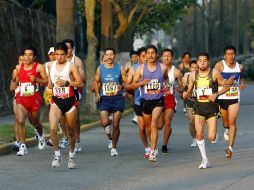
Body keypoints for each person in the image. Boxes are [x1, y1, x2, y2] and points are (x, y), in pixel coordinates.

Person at [183, 52, 230, 169]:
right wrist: (186, 94)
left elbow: (226, 86)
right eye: (200, 61)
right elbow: (189, 91)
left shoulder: (214, 73)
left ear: (208, 61)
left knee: (211, 137)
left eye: (204, 60)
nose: (202, 63)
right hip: (198, 107)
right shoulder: (193, 75)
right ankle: (204, 159)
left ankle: (214, 133)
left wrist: (216, 94)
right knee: (199, 133)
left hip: (212, 108)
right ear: (197, 62)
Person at [48, 42, 83, 168]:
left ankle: (71, 156)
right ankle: (57, 155)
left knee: (71, 131)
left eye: (61, 54)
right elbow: (50, 82)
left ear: (66, 54)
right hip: (56, 101)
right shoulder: (50, 65)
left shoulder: (71, 66)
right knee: (52, 128)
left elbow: (80, 83)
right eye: (56, 54)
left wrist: (67, 83)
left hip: (70, 101)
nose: (59, 57)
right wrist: (50, 85)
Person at [132, 45, 169, 162]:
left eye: (153, 53)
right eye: (148, 53)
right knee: (148, 128)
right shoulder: (140, 69)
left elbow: (166, 78)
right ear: (145, 55)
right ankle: (153, 144)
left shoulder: (162, 67)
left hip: (158, 100)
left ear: (156, 54)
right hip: (145, 101)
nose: (151, 55)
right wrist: (141, 83)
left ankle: (152, 152)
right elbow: (133, 84)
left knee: (154, 124)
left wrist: (166, 85)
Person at [15, 46, 48, 156]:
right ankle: (23, 146)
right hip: (22, 98)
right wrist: (13, 84)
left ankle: (41, 134)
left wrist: (37, 79)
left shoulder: (39, 67)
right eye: (25, 54)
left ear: (34, 56)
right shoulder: (18, 68)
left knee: (35, 122)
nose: (27, 57)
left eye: (30, 54)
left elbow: (46, 81)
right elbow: (15, 81)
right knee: (20, 120)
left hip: (34, 98)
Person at [94, 48, 126, 156]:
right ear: (104, 57)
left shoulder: (120, 68)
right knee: (104, 123)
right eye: (107, 55)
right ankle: (109, 127)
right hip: (105, 99)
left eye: (111, 54)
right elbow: (96, 81)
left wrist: (123, 87)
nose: (109, 57)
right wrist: (97, 94)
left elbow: (126, 82)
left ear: (114, 56)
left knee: (116, 125)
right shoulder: (100, 68)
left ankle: (114, 147)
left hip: (118, 98)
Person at [214, 45, 245, 158]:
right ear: (225, 55)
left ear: (235, 54)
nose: (231, 56)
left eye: (232, 54)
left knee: (232, 122)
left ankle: (230, 147)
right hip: (222, 98)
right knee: (225, 123)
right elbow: (214, 80)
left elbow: (241, 76)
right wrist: (226, 82)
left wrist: (241, 83)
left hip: (234, 98)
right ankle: (226, 129)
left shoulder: (240, 67)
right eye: (229, 54)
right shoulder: (219, 66)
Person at [125, 47, 151, 158]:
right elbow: (127, 85)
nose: (145, 58)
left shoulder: (154, 68)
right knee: (142, 128)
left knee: (151, 126)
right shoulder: (134, 69)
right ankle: (147, 148)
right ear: (139, 57)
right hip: (139, 101)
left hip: (151, 101)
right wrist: (140, 84)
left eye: (147, 56)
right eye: (143, 56)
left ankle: (153, 146)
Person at [63, 39, 86, 153]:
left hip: (74, 91)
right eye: (65, 48)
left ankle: (77, 140)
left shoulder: (77, 61)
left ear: (72, 49)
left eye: (69, 48)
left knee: (75, 118)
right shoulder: (58, 61)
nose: (67, 50)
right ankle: (65, 137)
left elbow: (83, 79)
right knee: (61, 116)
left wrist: (74, 75)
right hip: (60, 91)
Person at [160, 48, 183, 154]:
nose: (166, 57)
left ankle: (164, 145)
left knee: (167, 121)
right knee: (160, 125)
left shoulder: (176, 72)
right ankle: (167, 131)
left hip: (170, 99)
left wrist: (180, 89)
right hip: (157, 98)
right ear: (161, 57)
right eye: (164, 55)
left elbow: (182, 87)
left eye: (169, 55)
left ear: (172, 57)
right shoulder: (156, 69)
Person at [10, 53, 24, 151]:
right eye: (20, 60)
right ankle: (18, 142)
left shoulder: (32, 70)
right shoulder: (15, 71)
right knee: (18, 119)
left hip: (29, 97)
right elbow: (12, 85)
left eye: (24, 60)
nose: (22, 62)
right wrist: (13, 86)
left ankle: (38, 130)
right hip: (18, 97)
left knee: (33, 121)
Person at [182, 60, 198, 147]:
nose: (195, 69)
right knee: (191, 121)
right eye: (193, 67)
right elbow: (184, 89)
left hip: (200, 101)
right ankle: (194, 139)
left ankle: (200, 138)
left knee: (199, 121)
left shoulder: (203, 76)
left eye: (196, 67)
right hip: (190, 101)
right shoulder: (186, 77)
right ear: (190, 68)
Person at [125, 50, 139, 124]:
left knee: (137, 101)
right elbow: (124, 75)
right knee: (132, 102)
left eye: (135, 57)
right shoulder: (128, 65)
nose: (134, 58)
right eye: (132, 57)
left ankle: (137, 114)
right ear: (130, 58)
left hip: (137, 87)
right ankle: (135, 111)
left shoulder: (140, 65)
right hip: (130, 87)